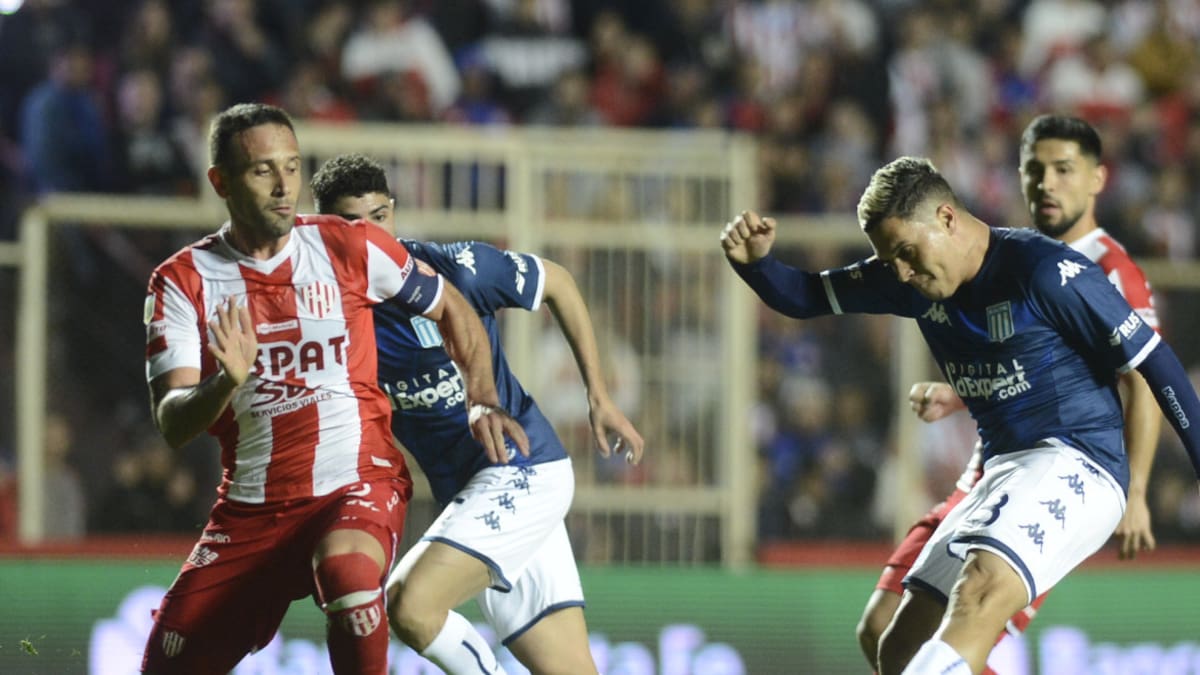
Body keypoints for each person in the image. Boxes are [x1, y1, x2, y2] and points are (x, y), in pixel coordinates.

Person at [720, 156, 1200, 675]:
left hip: (1079, 462)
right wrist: (758, 265)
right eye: (890, 259)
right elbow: (806, 295)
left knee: (979, 592)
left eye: (906, 252)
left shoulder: (1042, 270)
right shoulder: (905, 278)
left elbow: (1156, 366)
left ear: (947, 218)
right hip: (1003, 470)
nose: (901, 272)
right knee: (896, 645)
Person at [141, 103, 527, 675]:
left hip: (355, 483)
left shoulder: (349, 245)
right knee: (166, 663)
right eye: (262, 170)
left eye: (292, 168)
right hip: (252, 510)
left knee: (348, 577)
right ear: (220, 181)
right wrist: (226, 382)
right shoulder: (181, 281)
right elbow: (173, 421)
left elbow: (452, 305)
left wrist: (482, 397)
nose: (283, 187)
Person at [310, 153, 645, 674]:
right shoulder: (324, 319)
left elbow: (557, 282)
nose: (372, 235)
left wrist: (598, 395)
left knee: (409, 605)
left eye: (380, 218)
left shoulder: (454, 270)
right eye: (353, 225)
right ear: (324, 231)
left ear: (393, 213)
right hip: (476, 497)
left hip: (524, 470)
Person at [855, 114, 1163, 673]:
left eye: (1063, 170)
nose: (1046, 183)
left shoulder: (1106, 269)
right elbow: (1023, 364)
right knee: (885, 631)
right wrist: (957, 392)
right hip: (990, 468)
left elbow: (1141, 378)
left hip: (1056, 470)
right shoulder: (999, 255)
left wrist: (1137, 488)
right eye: (1034, 170)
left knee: (970, 616)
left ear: (1097, 178)